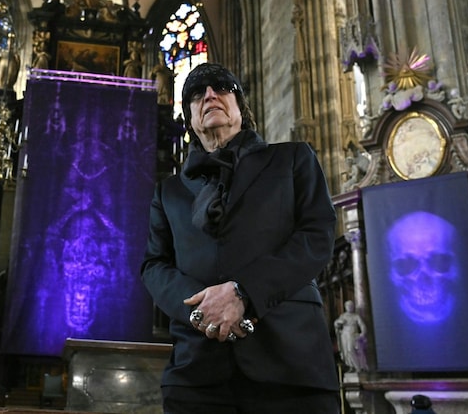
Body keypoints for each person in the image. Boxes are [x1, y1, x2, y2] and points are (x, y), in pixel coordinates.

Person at [141, 63, 339, 413]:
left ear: (241, 107)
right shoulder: (168, 192)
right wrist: (204, 312)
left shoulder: (292, 160)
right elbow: (154, 265)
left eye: (221, 87)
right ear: (189, 118)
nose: (210, 95)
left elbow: (316, 236)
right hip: (197, 372)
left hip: (289, 362)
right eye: (197, 93)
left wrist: (244, 293)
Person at [334, 300, 367, 372]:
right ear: (345, 307)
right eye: (348, 306)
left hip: (352, 334)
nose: (350, 307)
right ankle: (352, 366)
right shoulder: (343, 316)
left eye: (351, 306)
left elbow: (362, 325)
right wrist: (339, 322)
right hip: (344, 335)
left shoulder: (356, 316)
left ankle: (358, 367)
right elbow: (336, 323)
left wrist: (363, 333)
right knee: (346, 352)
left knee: (350, 350)